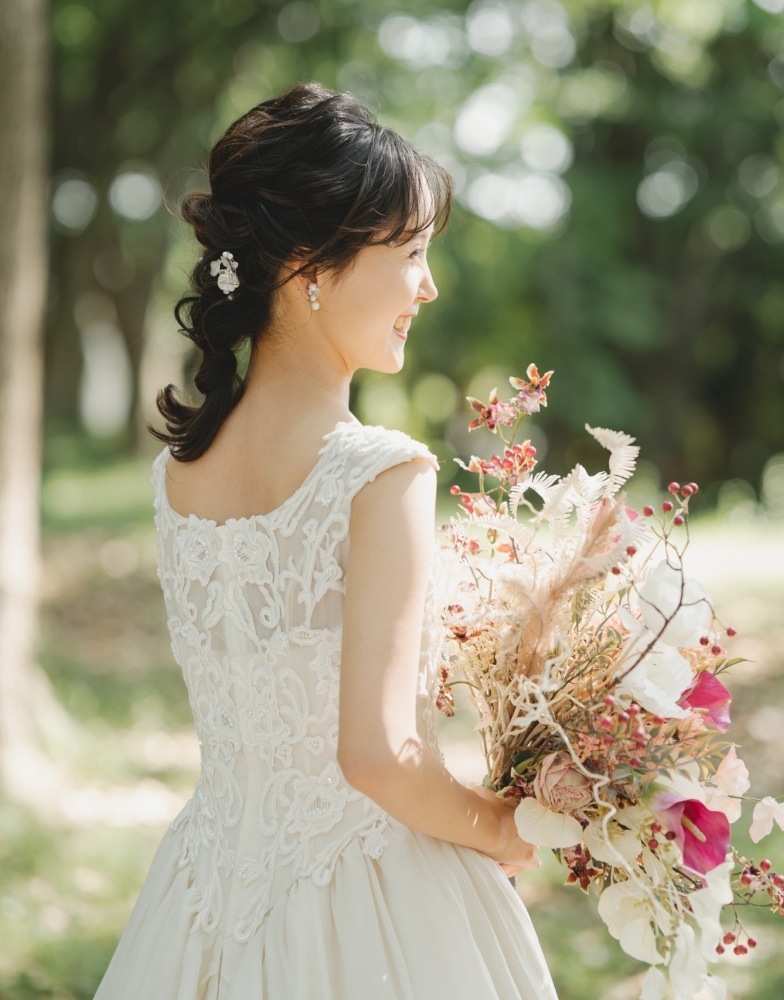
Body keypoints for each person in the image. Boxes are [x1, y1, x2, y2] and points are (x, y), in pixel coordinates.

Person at [94, 82, 558, 999]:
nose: (427, 285)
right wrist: (506, 830)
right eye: (414, 253)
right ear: (311, 264)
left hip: (204, 891)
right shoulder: (383, 473)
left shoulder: (179, 471)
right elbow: (378, 755)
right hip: (376, 902)